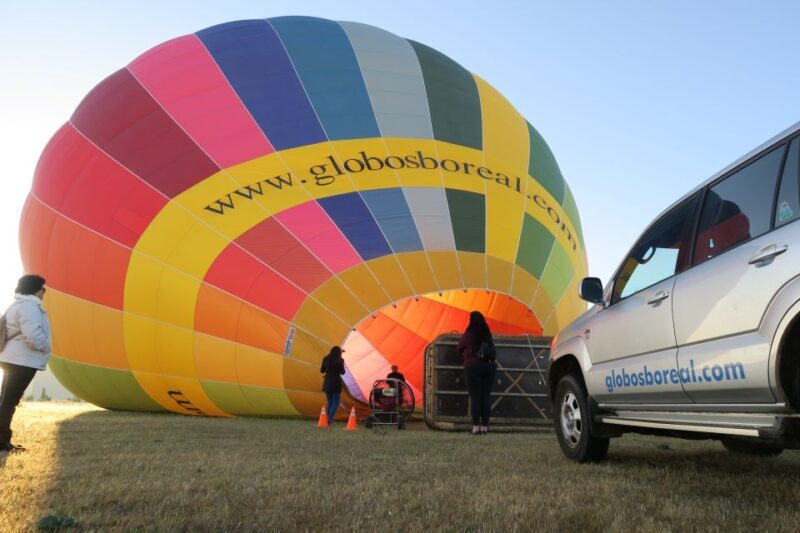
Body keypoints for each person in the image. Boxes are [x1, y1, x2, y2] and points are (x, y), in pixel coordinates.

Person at [0, 275, 52, 453]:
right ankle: (2, 441)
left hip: (11, 358)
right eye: (43, 289)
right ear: (36, 290)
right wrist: (45, 347)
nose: (44, 293)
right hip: (22, 360)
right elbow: (32, 333)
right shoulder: (29, 306)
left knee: (5, 401)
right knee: (9, 402)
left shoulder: (16, 304)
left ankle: (3, 440)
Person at [457, 311, 496, 435]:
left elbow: (459, 348)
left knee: (475, 397)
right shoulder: (487, 333)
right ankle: (484, 427)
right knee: (486, 397)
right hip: (489, 367)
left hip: (472, 367)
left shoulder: (469, 333)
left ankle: (475, 427)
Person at [320, 346, 345, 425]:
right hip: (336, 383)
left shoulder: (325, 358)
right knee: (335, 403)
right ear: (339, 353)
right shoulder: (340, 360)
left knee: (330, 402)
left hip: (327, 382)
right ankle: (329, 419)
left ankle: (327, 419)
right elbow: (342, 372)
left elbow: (322, 370)